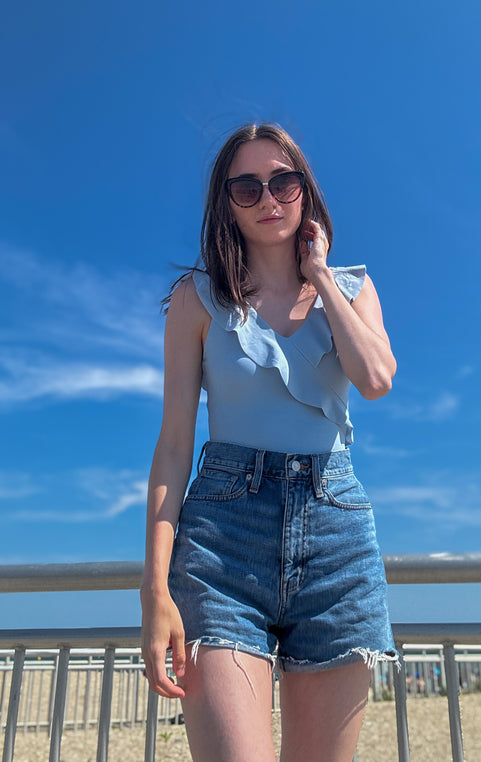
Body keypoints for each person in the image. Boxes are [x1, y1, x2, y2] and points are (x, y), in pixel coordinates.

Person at [141, 122, 399, 762]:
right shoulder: (195, 302)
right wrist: (154, 592)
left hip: (335, 536)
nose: (268, 198)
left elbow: (375, 379)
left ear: (305, 191)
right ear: (225, 203)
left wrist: (320, 274)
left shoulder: (355, 289)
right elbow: (174, 446)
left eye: (283, 181)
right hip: (224, 541)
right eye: (247, 187)